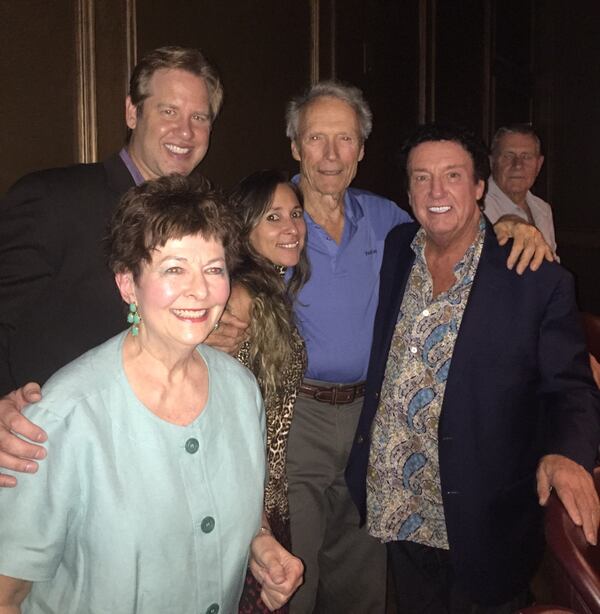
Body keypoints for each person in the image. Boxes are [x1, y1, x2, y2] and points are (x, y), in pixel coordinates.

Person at [0, 175, 303, 613]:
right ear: (128, 284)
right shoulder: (63, 417)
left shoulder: (240, 391)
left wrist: (261, 545)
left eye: (213, 268)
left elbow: (239, 505)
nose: (199, 291)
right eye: (174, 268)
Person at [346, 123, 600, 613]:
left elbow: (569, 386)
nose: (436, 192)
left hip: (482, 511)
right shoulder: (399, 247)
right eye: (421, 178)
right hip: (399, 500)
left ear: (480, 187)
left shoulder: (535, 278)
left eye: (453, 176)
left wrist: (569, 452)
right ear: (408, 190)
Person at [0, 44, 248, 399]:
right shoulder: (54, 199)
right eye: (169, 111)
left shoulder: (202, 222)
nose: (185, 131)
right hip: (55, 435)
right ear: (133, 113)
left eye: (200, 117)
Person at [228, 170, 309, 613]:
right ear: (245, 228)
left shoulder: (272, 290)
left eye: (295, 214)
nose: (291, 227)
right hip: (243, 495)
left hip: (267, 491)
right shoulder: (240, 296)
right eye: (273, 217)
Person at [485, 124, 558, 256]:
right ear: (492, 161)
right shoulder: (473, 208)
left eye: (526, 157)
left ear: (539, 164)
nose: (518, 165)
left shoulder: (543, 209)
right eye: (508, 156)